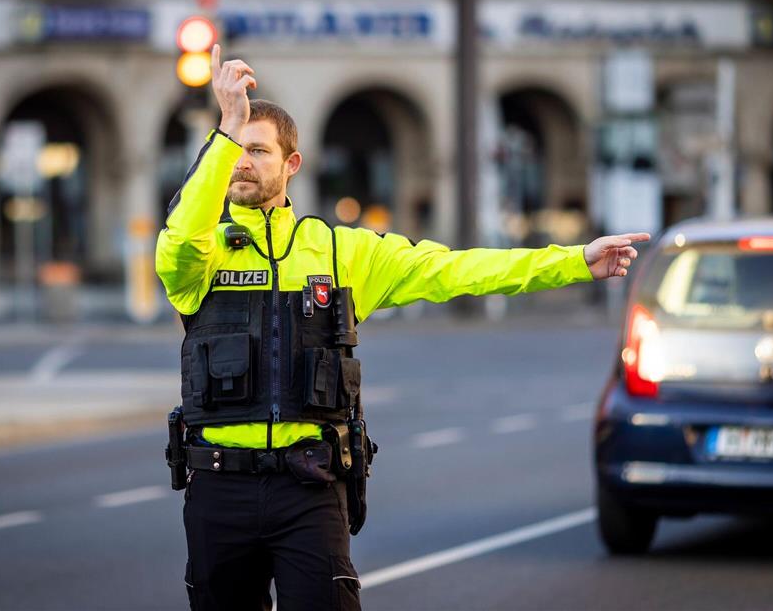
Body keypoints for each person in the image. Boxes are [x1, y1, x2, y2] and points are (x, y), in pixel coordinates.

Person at [155, 45, 650, 611]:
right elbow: (179, 236)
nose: (241, 161)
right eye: (233, 151)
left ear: (291, 164)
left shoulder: (342, 251)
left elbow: (456, 269)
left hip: (309, 488)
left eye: (257, 150)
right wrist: (227, 127)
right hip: (220, 488)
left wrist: (574, 261)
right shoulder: (201, 254)